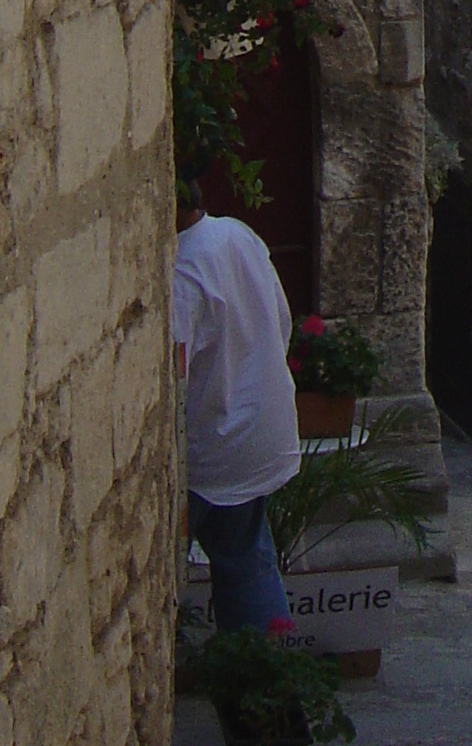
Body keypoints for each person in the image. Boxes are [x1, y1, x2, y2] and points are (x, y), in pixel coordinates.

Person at [172, 185, 301, 634]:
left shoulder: (181, 274)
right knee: (247, 561)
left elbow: (173, 382)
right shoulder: (238, 236)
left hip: (213, 450)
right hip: (260, 430)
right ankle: (267, 684)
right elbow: (280, 324)